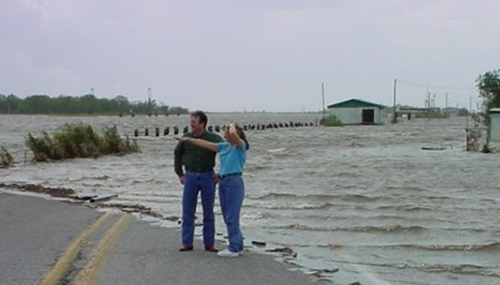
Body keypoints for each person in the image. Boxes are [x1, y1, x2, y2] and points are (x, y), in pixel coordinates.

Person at [175, 123, 249, 258]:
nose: (225, 133)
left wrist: (232, 125)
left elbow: (233, 134)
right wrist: (188, 139)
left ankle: (233, 248)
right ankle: (238, 245)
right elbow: (204, 143)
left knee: (232, 216)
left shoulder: (240, 145)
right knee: (228, 216)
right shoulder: (224, 147)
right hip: (223, 181)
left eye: (226, 131)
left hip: (234, 182)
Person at [174, 111, 224, 252]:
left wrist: (220, 174)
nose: (191, 124)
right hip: (190, 176)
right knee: (188, 210)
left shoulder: (213, 138)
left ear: (202, 123)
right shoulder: (186, 138)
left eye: (194, 122)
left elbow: (227, 153)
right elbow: (177, 155)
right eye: (191, 122)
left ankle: (209, 243)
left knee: (208, 211)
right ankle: (187, 242)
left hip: (208, 176)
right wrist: (180, 174)